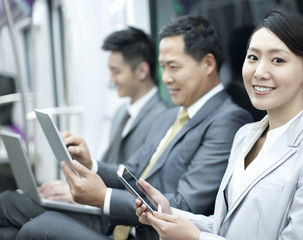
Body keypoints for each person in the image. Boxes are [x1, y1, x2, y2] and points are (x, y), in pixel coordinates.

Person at [15, 15, 253, 240]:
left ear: (208, 64)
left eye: (174, 67)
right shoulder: (172, 115)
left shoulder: (228, 120)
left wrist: (103, 197)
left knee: (37, 226)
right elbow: (130, 172)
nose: (166, 78)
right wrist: (91, 164)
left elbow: (183, 206)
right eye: (163, 67)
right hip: (124, 228)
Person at [132, 10, 303, 240]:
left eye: (277, 60)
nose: (259, 72)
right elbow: (224, 226)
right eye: (253, 57)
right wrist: (168, 213)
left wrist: (196, 238)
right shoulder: (245, 135)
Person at [0, 26, 167, 239]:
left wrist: (83, 195)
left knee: (8, 202)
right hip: (96, 207)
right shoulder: (121, 113)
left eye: (116, 71)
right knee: (7, 233)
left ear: (142, 71)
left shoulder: (162, 118)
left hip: (111, 217)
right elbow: (109, 168)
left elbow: (139, 182)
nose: (110, 80)